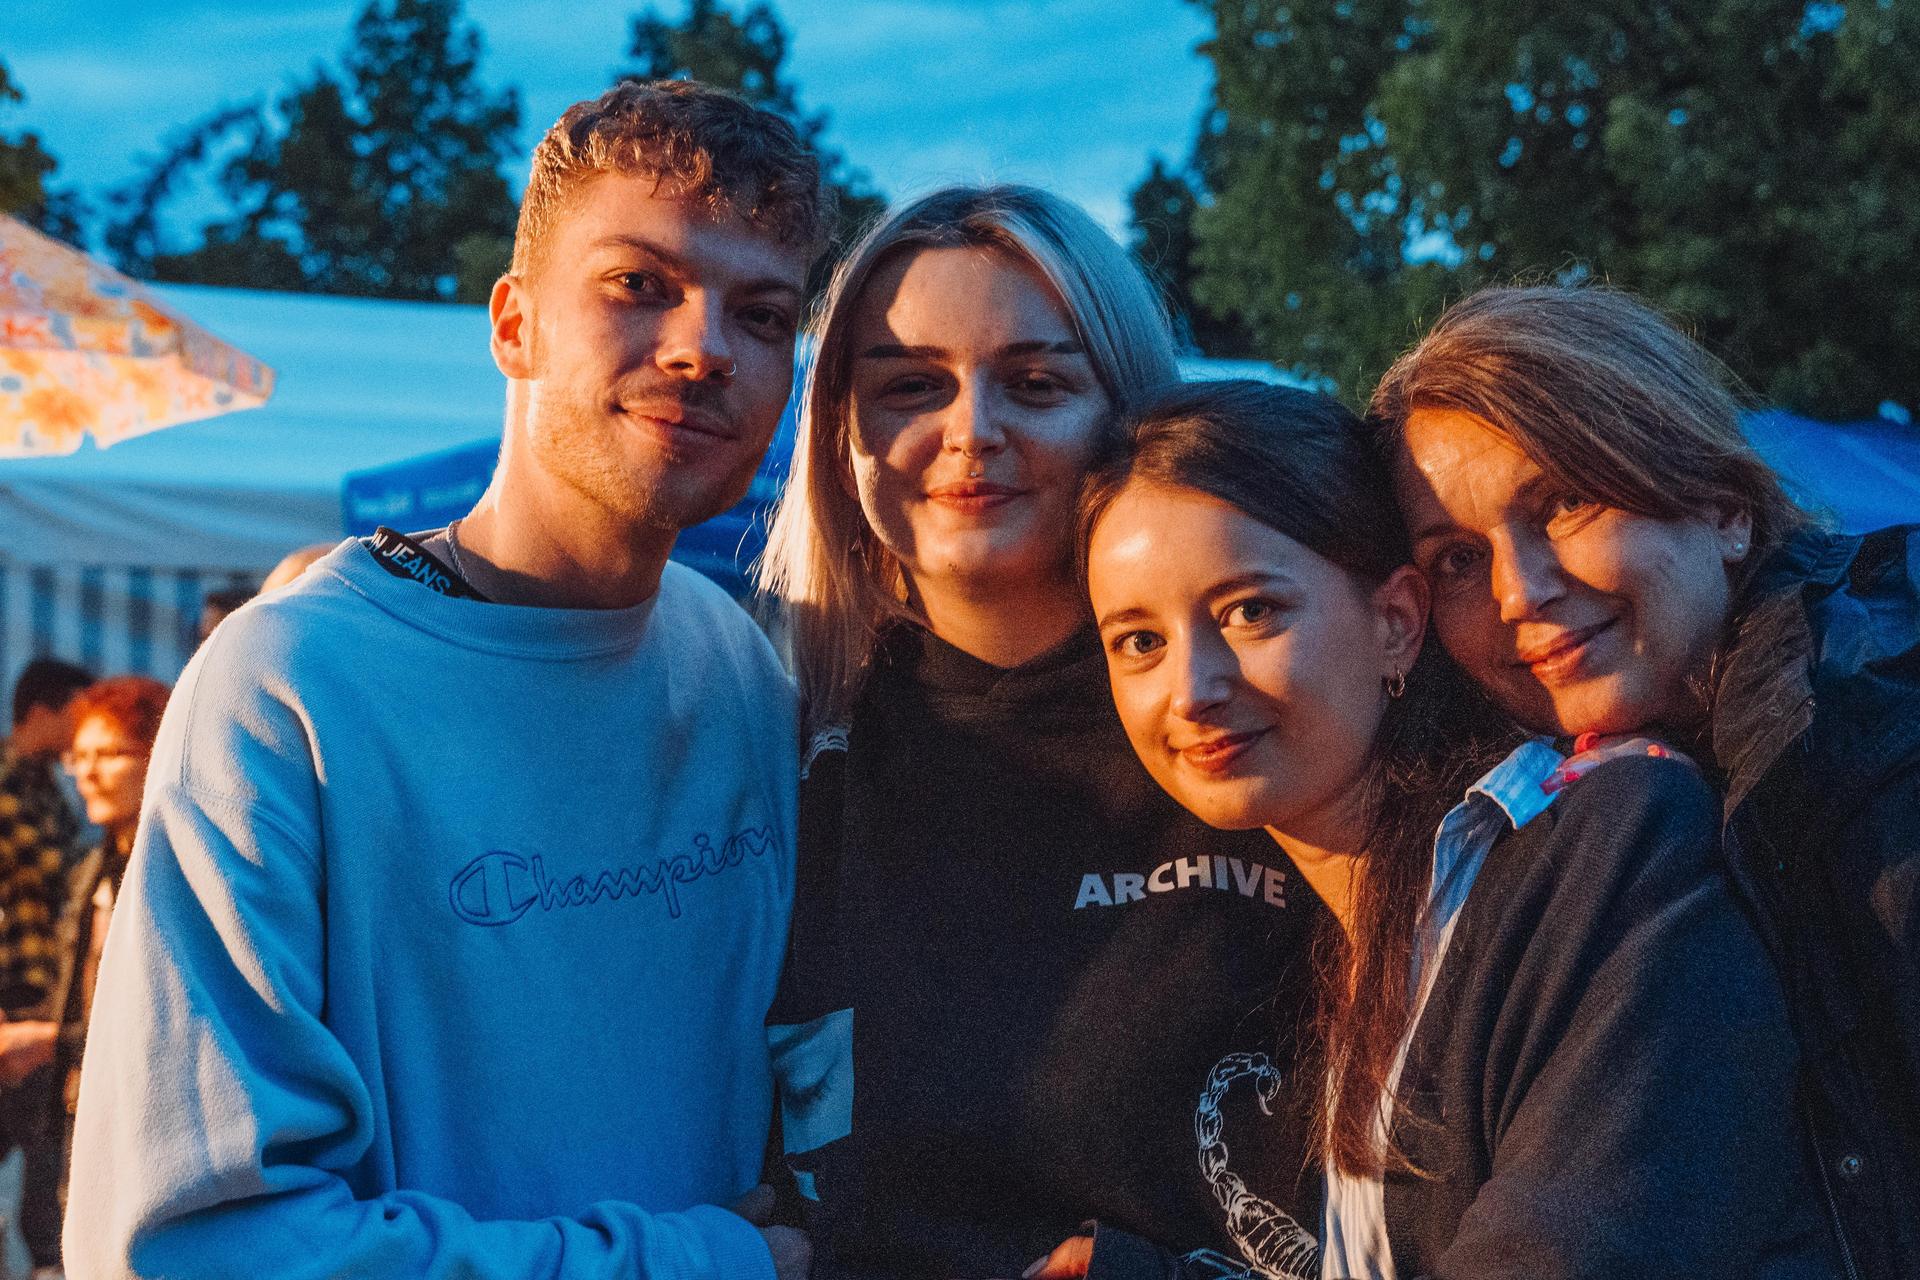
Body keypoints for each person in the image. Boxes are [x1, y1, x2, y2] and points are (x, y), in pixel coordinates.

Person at [64, 79, 826, 1280]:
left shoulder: (735, 666)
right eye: (640, 285)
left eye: (764, 312)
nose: (702, 346)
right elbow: (191, 1244)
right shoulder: (289, 690)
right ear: (514, 323)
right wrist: (702, 1261)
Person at [1080, 379, 1840, 1279]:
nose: (1192, 687)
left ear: (1396, 623)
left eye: (1251, 611)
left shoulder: (1607, 846)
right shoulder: (1348, 934)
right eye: (1139, 640)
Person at [755, 188, 1325, 1280]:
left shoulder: (1269, 728)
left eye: (1036, 383)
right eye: (910, 386)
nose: (972, 431)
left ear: (1134, 412)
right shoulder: (773, 754)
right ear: (841, 435)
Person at [1371, 284, 1919, 1280]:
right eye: (1457, 557)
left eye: (1567, 502)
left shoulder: (1874, 752)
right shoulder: (1515, 823)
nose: (1518, 589)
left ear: (1724, 507)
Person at [8, 676, 171, 1275]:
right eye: (80, 755)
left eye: (111, 754)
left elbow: (168, 1026)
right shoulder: (91, 867)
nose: (87, 773)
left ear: (159, 754)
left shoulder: (174, 871)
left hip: (145, 1131)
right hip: (74, 1113)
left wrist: (50, 1039)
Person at [0, 659, 93, 1017]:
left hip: (45, 980)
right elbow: (55, 866)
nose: (84, 728)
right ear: (40, 714)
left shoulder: (47, 784)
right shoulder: (7, 777)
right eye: (78, 715)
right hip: (16, 981)